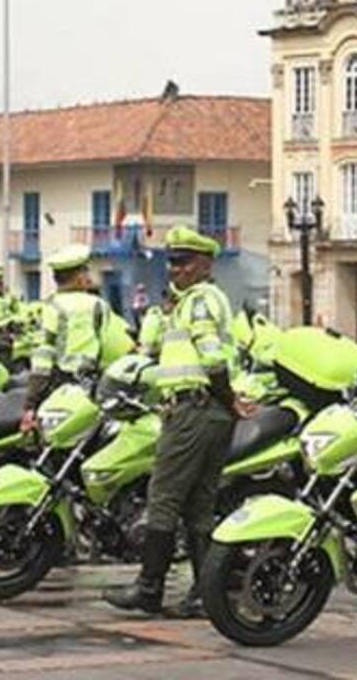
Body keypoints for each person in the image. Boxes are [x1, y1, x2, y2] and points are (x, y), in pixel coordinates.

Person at [105, 226, 253, 618]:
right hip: (206, 410)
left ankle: (149, 587)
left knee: (164, 497)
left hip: (195, 409)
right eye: (171, 261)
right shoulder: (192, 300)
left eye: (184, 262)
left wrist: (229, 399)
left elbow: (211, 358)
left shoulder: (200, 301)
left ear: (205, 264)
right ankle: (206, 593)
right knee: (198, 505)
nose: (175, 269)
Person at [19, 245, 113, 432]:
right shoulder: (98, 305)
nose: (89, 277)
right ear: (79, 277)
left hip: (58, 388)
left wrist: (31, 405)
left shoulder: (50, 307)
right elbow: (109, 347)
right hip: (92, 389)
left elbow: (42, 361)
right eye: (86, 271)